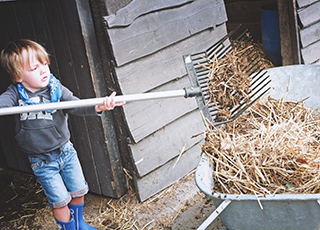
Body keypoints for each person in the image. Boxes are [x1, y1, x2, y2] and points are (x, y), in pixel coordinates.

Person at [0, 39, 125, 230]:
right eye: (34, 68)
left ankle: (79, 224)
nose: (43, 70)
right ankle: (68, 228)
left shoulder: (55, 88)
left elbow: (77, 105)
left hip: (65, 151)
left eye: (44, 64)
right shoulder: (14, 95)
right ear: (18, 76)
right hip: (41, 160)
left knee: (78, 191)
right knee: (59, 200)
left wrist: (100, 106)